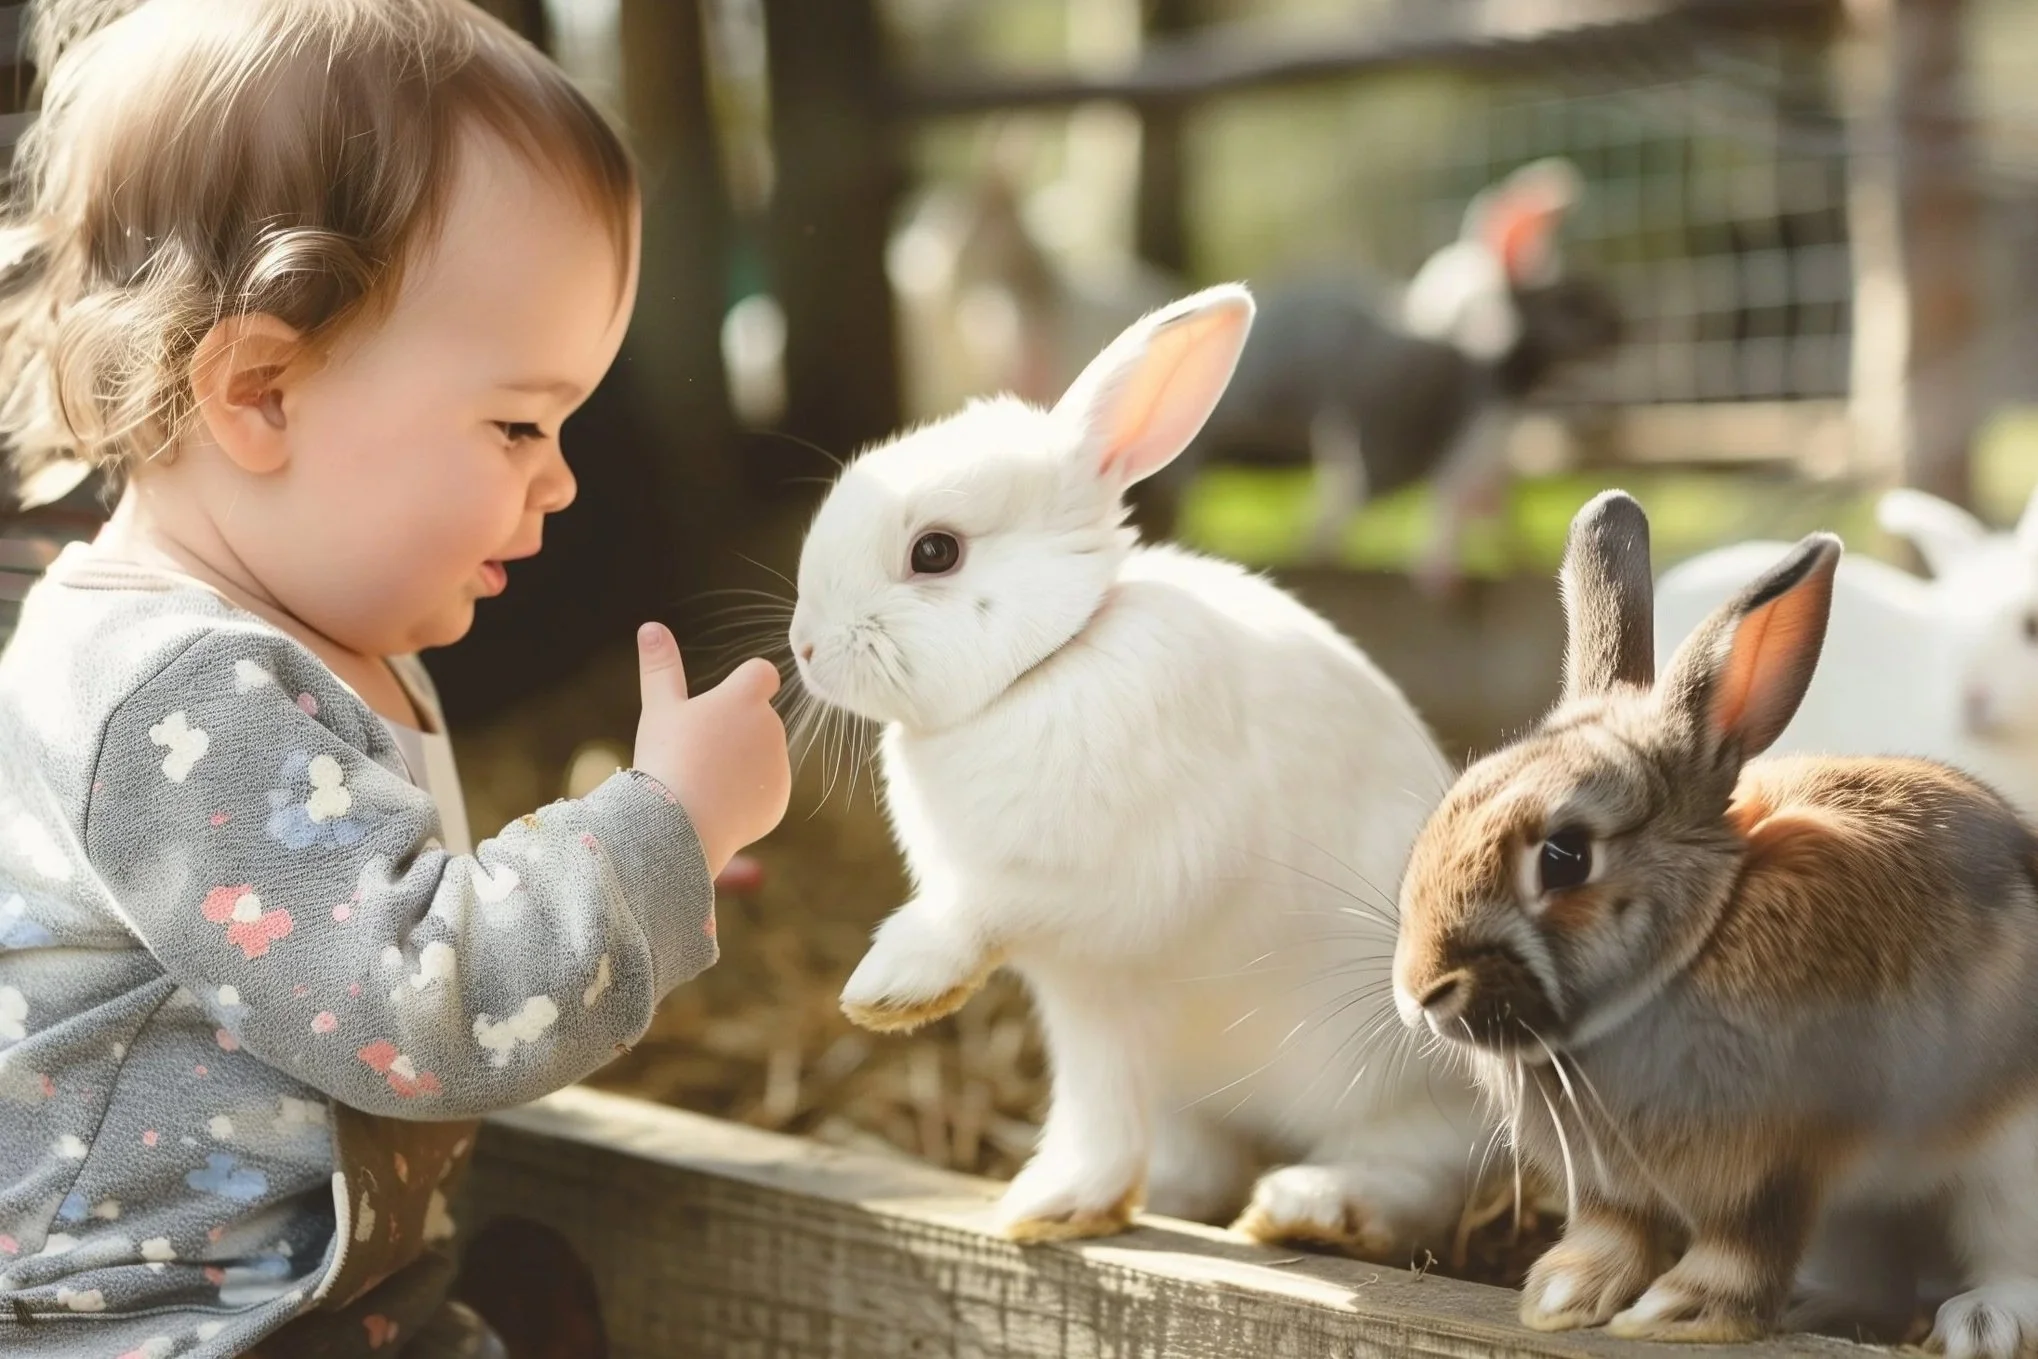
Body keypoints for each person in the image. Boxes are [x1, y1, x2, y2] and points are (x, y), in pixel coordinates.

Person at [0, 1, 792, 1353]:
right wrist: (653, 835)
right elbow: (427, 1007)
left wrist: (612, 865)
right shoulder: (181, 695)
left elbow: (366, 909)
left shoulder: (260, 637)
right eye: (516, 421)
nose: (559, 479)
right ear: (262, 390)